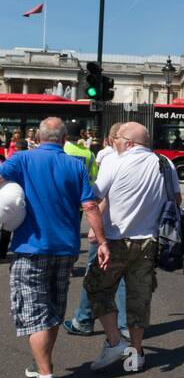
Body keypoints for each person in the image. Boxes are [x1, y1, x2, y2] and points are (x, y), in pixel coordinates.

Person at [0, 117, 108, 378]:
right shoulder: (76, 164)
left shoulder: (22, 159)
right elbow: (90, 205)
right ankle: (41, 365)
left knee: (35, 312)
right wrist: (102, 240)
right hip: (66, 249)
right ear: (63, 140)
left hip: (31, 247)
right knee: (53, 310)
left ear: (38, 137)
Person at [85, 122, 182, 374]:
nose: (114, 143)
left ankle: (114, 341)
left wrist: (97, 231)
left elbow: (94, 198)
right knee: (139, 298)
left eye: (116, 139)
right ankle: (136, 352)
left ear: (128, 142)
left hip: (116, 240)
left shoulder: (114, 162)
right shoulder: (164, 163)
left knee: (97, 286)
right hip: (149, 242)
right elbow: (176, 200)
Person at [64, 122, 128, 338]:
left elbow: (98, 193)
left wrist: (96, 226)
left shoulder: (108, 158)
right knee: (123, 277)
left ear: (111, 139)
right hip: (133, 231)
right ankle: (125, 325)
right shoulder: (88, 153)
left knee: (95, 272)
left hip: (102, 222)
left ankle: (83, 320)